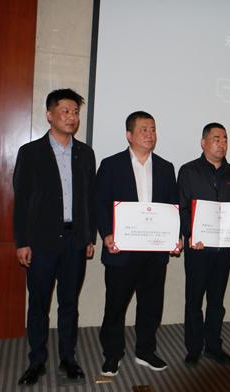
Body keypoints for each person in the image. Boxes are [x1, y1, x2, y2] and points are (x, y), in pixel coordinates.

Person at [14, 88, 96, 385]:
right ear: (50, 115)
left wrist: (89, 237)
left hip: (75, 240)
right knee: (38, 304)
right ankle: (36, 361)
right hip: (41, 241)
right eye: (65, 111)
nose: (72, 117)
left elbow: (89, 198)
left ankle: (68, 359)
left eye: (75, 112)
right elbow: (22, 200)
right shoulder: (31, 152)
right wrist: (22, 241)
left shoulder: (85, 153)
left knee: (69, 304)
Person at [96, 111, 181, 376]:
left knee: (151, 304)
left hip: (154, 251)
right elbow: (99, 203)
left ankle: (145, 351)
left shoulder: (166, 167)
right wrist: (106, 234)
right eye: (143, 129)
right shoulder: (111, 165)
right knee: (116, 305)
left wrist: (175, 237)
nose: (149, 134)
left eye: (153, 129)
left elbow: (173, 207)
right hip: (121, 250)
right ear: (129, 135)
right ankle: (112, 354)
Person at [177, 122, 230, 367]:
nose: (222, 143)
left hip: (223, 249)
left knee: (216, 301)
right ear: (204, 143)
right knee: (194, 299)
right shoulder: (188, 171)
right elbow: (182, 208)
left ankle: (214, 346)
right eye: (216, 138)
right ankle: (194, 348)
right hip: (198, 248)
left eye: (225, 139)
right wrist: (190, 234)